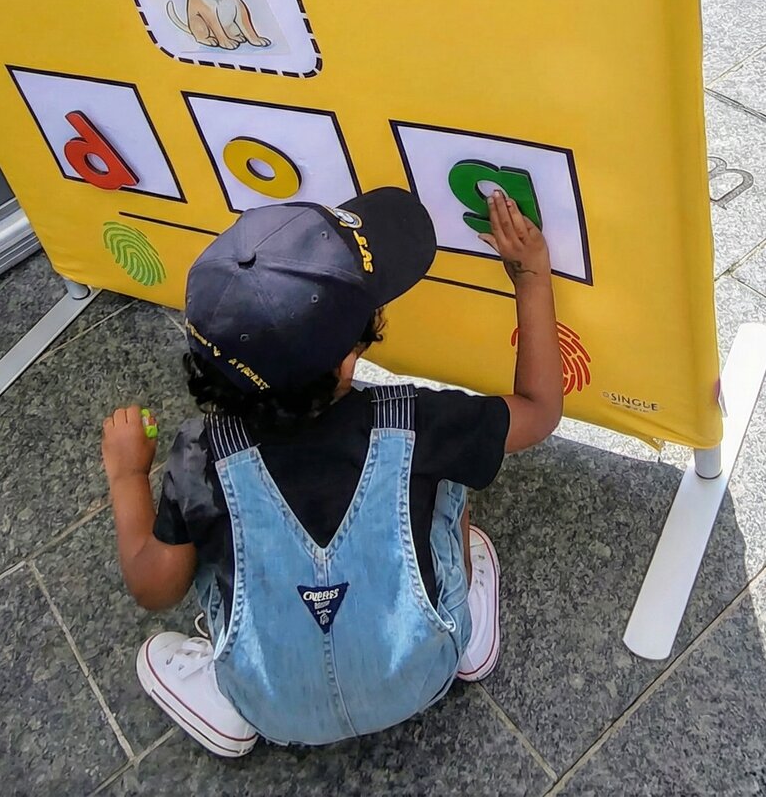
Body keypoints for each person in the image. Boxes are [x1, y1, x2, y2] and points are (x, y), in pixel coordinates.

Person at [100, 187, 563, 755]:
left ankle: (231, 707)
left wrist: (126, 476)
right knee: (450, 478)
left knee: (210, 545)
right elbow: (539, 412)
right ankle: (463, 638)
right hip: (423, 672)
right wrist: (532, 276)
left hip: (270, 706)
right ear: (348, 361)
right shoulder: (416, 421)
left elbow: (154, 585)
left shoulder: (201, 455)